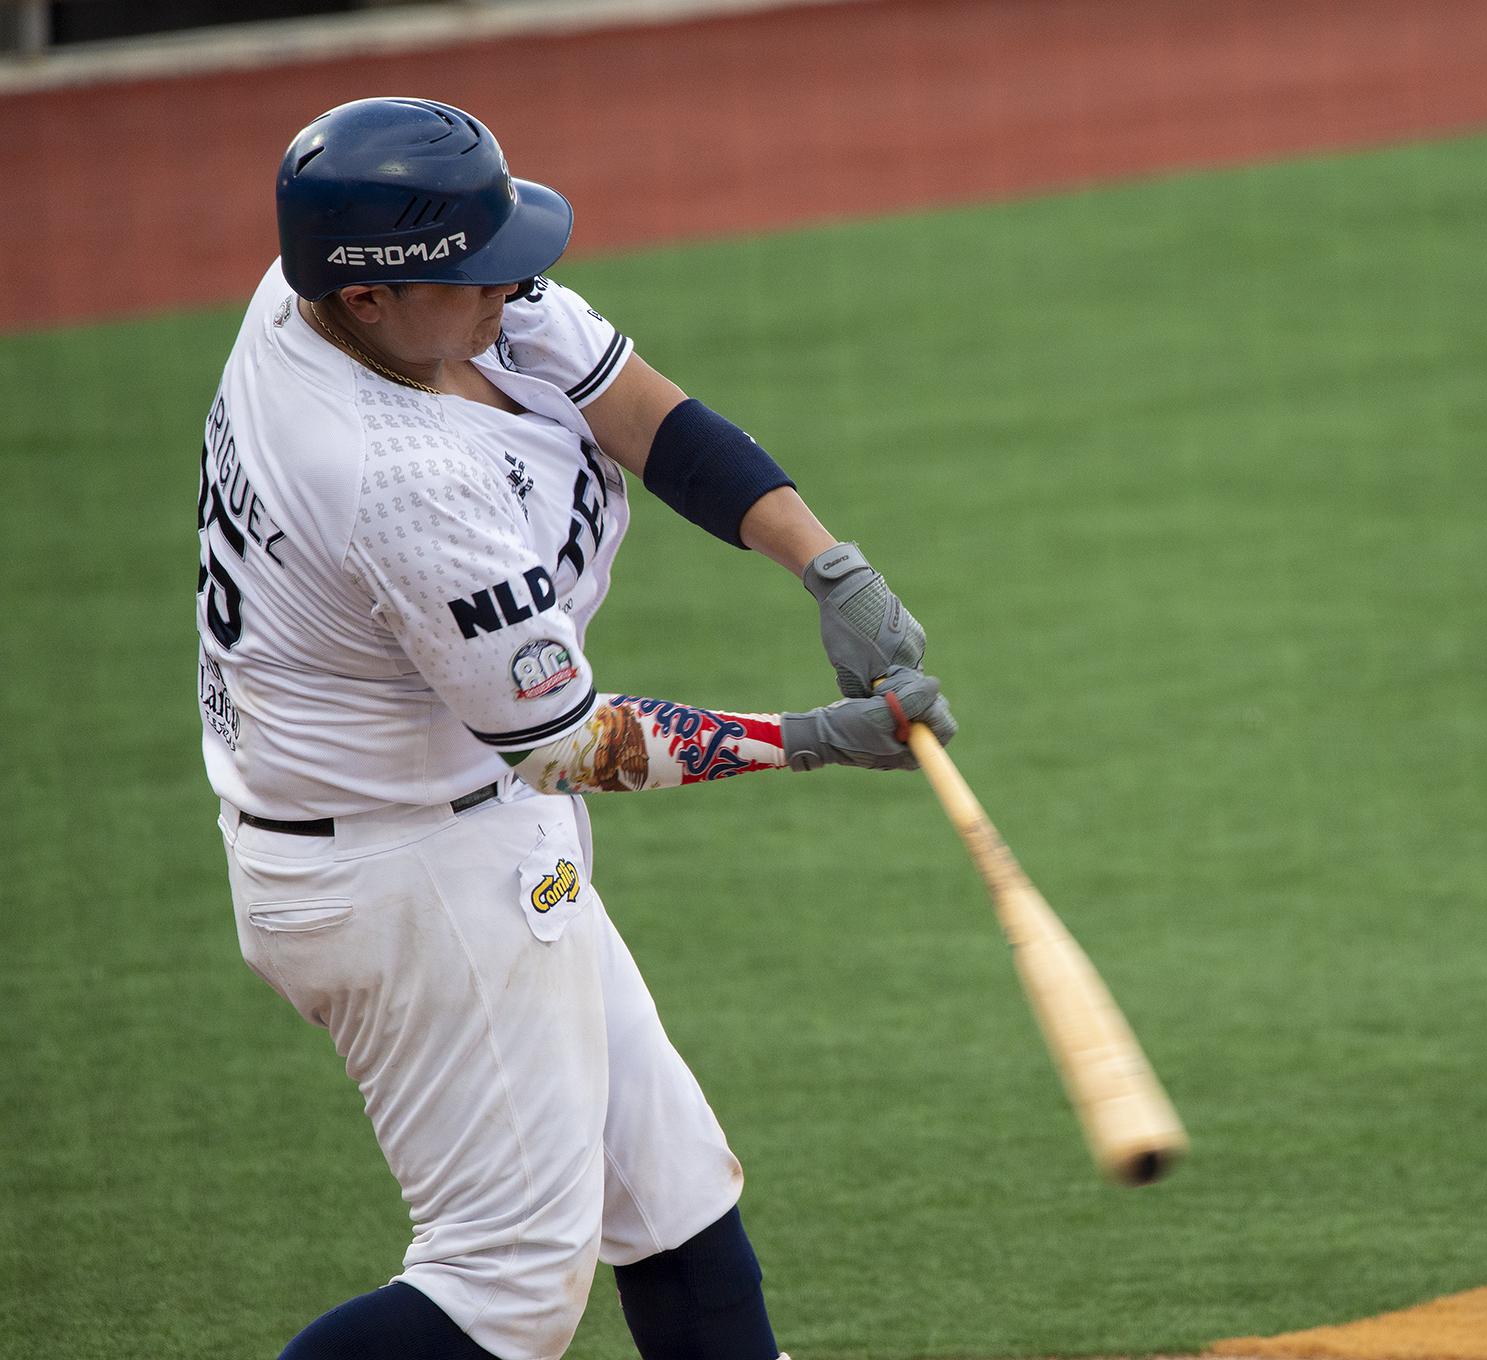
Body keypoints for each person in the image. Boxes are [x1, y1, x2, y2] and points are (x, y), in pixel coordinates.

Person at [197, 96, 956, 1360]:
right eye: (479, 274)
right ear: (374, 296)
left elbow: (641, 414)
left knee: (669, 1191)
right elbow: (565, 744)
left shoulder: (356, 285)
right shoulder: (392, 475)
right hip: (408, 878)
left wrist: (827, 566)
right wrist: (813, 739)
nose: (516, 289)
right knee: (501, 1286)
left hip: (458, 824)